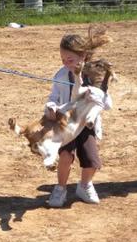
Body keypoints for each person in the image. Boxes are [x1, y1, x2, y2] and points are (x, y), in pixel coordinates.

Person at [45, 27, 113, 208]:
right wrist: (51, 107)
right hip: (66, 125)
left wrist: (95, 97)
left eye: (70, 59)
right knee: (65, 156)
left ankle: (85, 185)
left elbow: (107, 102)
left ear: (83, 57)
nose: (66, 63)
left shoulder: (94, 74)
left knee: (91, 160)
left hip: (87, 124)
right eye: (63, 59)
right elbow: (53, 97)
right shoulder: (60, 75)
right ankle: (60, 188)